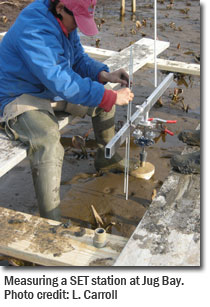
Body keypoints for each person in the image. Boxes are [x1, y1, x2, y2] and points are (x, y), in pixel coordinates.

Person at [0, 0, 136, 221]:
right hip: (19, 94)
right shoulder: (34, 29)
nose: (78, 27)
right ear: (61, 8)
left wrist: (104, 76)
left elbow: (77, 60)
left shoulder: (64, 21)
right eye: (77, 21)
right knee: (48, 140)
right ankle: (50, 219)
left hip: (48, 88)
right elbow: (62, 81)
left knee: (102, 99)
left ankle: (106, 158)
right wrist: (110, 95)